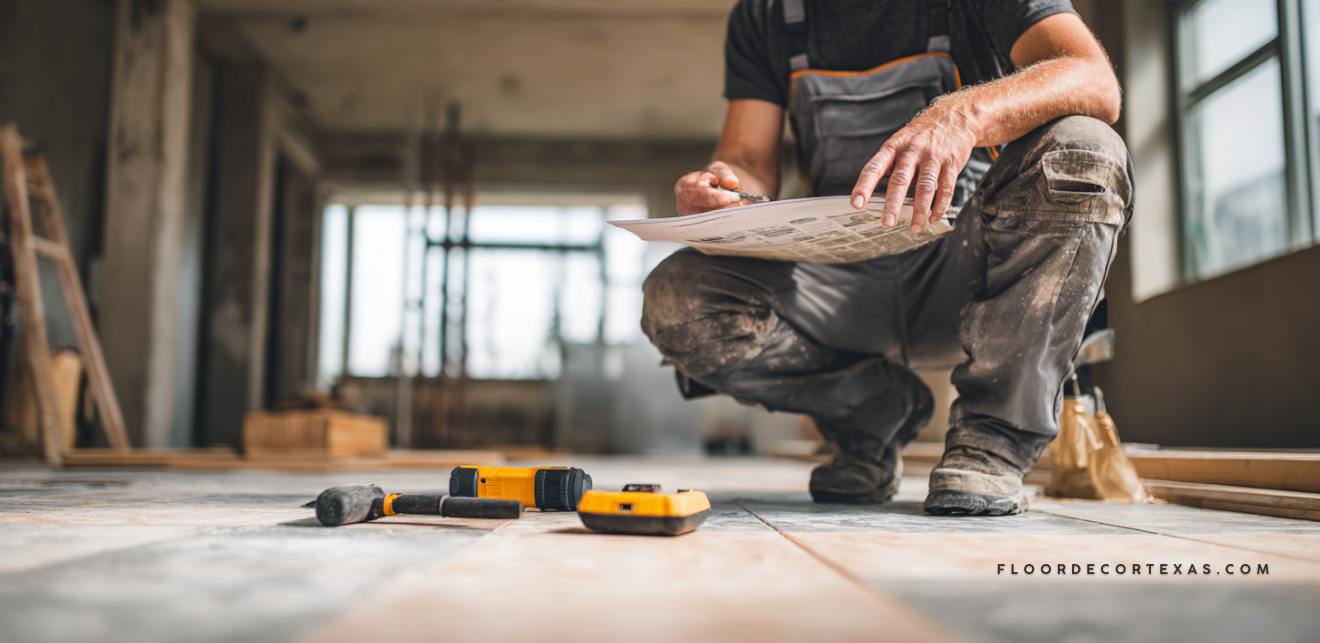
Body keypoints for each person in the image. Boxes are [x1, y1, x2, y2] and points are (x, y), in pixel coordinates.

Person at [640, 0, 1134, 516]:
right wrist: (725, 185)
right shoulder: (766, 14)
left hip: (970, 271)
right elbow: (749, 159)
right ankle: (872, 412)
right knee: (679, 299)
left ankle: (992, 440)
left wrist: (963, 114)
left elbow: (1092, 79)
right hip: (841, 282)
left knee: (1084, 148)